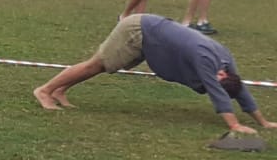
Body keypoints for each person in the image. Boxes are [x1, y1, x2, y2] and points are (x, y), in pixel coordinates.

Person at [32, 14, 271, 134]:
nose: (215, 81)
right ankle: (44, 91)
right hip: (137, 29)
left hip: (151, 33)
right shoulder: (207, 60)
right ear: (221, 76)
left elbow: (242, 92)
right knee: (96, 64)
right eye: (216, 82)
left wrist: (264, 123)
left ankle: (61, 90)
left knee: (100, 66)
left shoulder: (227, 62)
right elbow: (218, 95)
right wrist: (235, 126)